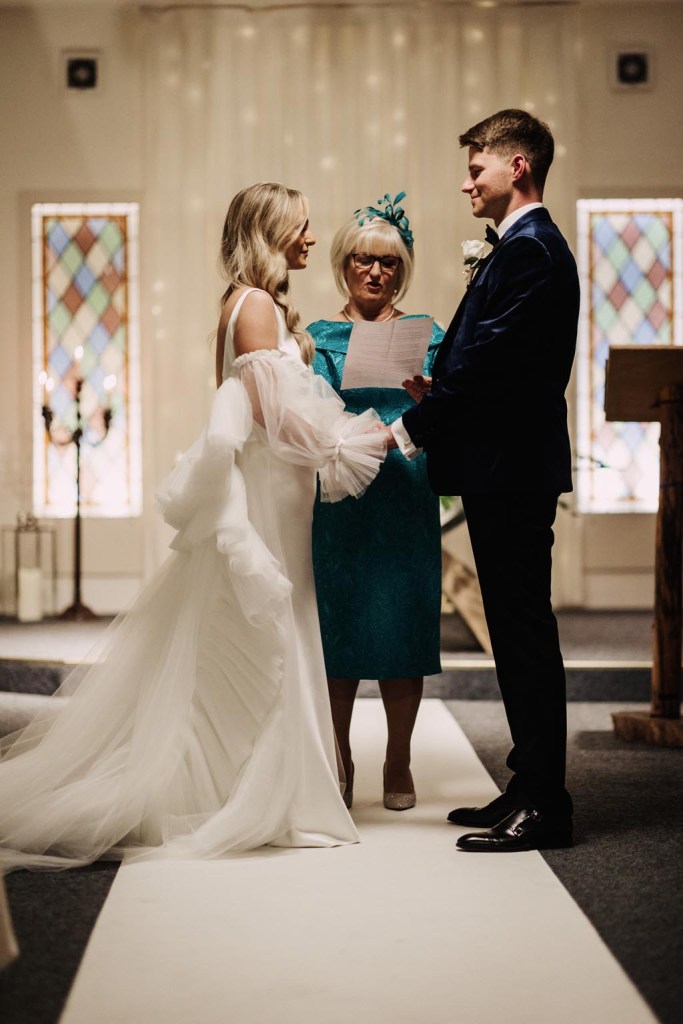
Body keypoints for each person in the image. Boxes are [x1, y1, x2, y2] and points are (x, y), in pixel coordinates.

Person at [0, 183, 387, 872]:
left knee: (247, 629)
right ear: (269, 232)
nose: (308, 238)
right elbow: (272, 416)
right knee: (270, 625)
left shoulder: (240, 302)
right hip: (270, 492)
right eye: (299, 228)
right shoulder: (258, 305)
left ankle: (243, 780)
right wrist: (351, 445)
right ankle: (260, 791)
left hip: (273, 490)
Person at [387, 110, 579, 852]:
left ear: (518, 168)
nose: (467, 181)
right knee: (512, 633)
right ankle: (526, 784)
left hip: (511, 470)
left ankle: (547, 805)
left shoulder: (531, 250)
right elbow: (494, 364)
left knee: (524, 635)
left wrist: (414, 426)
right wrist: (440, 392)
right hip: (498, 464)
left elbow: (493, 365)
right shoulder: (518, 248)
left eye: (477, 168)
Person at [308, 194, 443, 812]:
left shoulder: (429, 336)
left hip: (404, 490)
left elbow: (451, 411)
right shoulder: (315, 338)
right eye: (363, 260)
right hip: (339, 499)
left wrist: (433, 395)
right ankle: (340, 754)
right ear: (343, 264)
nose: (374, 273)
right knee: (338, 628)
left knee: (401, 624)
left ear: (401, 270)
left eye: (388, 264)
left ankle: (399, 755)